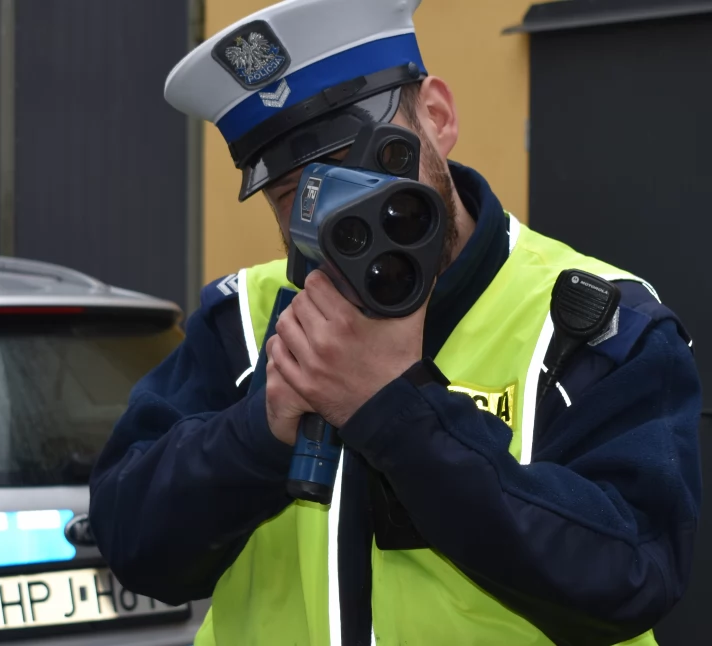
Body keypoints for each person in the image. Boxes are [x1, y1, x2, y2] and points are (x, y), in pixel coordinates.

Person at [88, 0, 703, 645]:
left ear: (436, 117)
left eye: (357, 162)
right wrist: (258, 433)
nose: (333, 212)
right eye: (293, 195)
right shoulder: (243, 319)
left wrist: (398, 414)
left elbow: (630, 576)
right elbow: (133, 544)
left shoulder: (592, 323)